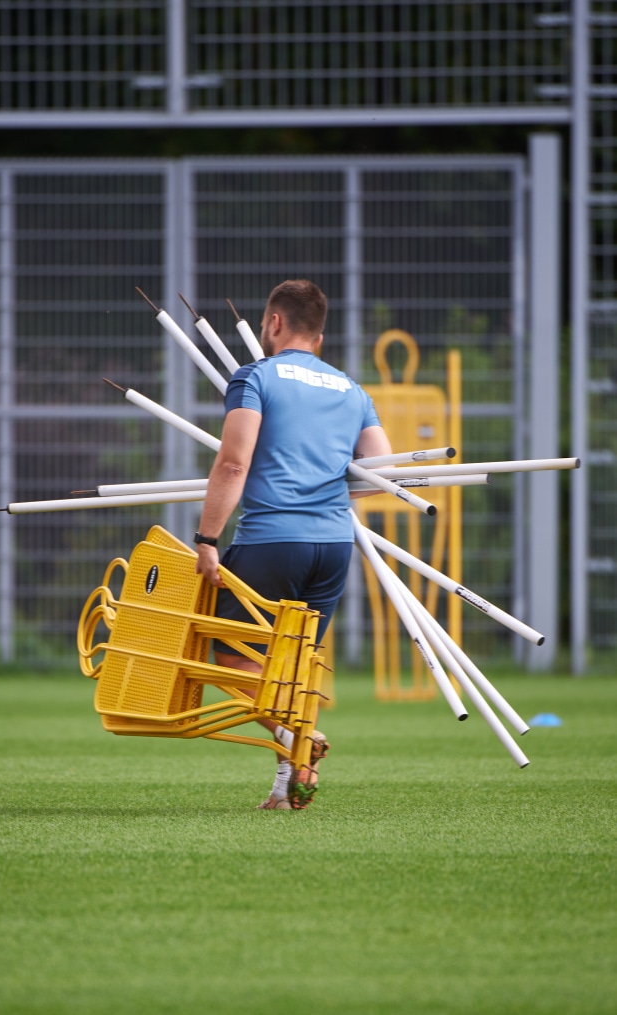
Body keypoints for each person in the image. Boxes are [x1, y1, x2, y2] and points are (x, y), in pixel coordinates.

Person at [195, 279, 392, 810]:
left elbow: (233, 462)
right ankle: (286, 786)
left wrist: (207, 537)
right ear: (320, 335)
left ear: (275, 322)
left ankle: (295, 735)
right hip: (333, 543)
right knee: (294, 664)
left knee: (226, 655)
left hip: (271, 538)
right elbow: (381, 471)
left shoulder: (255, 376)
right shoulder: (352, 390)